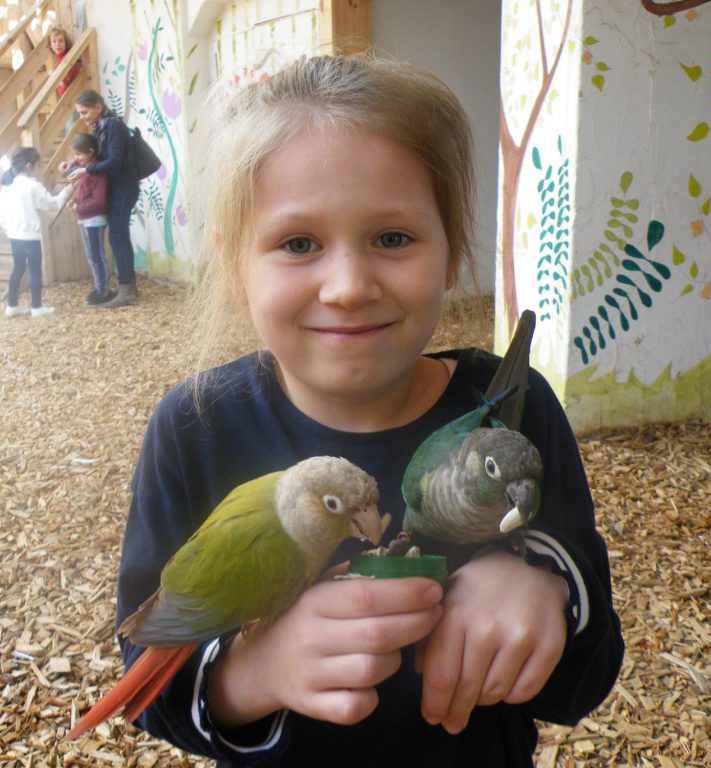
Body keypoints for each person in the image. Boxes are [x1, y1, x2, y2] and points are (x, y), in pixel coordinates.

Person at [112, 55, 623, 767]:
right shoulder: (195, 429)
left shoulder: (510, 411)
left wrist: (542, 585)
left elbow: (586, 681)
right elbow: (146, 687)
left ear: (451, 250)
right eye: (298, 244)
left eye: (392, 238)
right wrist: (256, 672)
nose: (349, 286)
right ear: (235, 268)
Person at [67, 89, 140, 308]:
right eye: (80, 113)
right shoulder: (100, 126)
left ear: (98, 107)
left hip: (124, 188)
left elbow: (114, 161)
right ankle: (128, 286)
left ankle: (127, 291)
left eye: (85, 112)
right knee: (118, 237)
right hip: (116, 188)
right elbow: (98, 156)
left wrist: (86, 170)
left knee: (118, 237)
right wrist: (75, 163)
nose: (83, 117)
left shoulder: (113, 125)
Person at [0, 147, 72, 318]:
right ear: (29, 166)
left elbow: (1, 215)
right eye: (39, 165)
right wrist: (68, 190)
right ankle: (36, 307)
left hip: (14, 235)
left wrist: (8, 230)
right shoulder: (33, 186)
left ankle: (12, 306)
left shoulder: (6, 186)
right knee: (35, 270)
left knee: (17, 269)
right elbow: (52, 205)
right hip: (30, 236)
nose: (41, 168)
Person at [66, 133, 113, 306]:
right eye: (75, 154)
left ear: (91, 152)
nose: (76, 158)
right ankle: (100, 288)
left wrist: (79, 208)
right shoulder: (85, 170)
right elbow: (85, 193)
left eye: (79, 154)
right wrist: (75, 201)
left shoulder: (97, 172)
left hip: (94, 220)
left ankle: (104, 291)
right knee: (92, 257)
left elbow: (99, 201)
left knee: (97, 257)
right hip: (86, 219)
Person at [48, 27, 82, 99]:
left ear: (66, 43)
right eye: (54, 41)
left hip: (70, 96)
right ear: (50, 44)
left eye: (61, 41)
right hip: (67, 96)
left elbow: (65, 82)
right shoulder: (61, 57)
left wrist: (52, 74)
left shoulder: (66, 58)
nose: (57, 44)